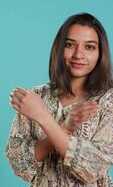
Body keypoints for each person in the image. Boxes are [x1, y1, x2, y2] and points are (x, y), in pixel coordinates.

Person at [5, 13, 113, 187]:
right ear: (59, 47)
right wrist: (64, 128)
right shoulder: (36, 96)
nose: (78, 54)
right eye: (70, 44)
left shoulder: (108, 100)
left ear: (101, 53)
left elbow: (92, 169)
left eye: (89, 47)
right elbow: (19, 164)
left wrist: (43, 117)